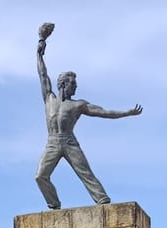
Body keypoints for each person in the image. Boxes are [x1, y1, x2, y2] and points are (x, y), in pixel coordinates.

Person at [34, 23, 142, 210]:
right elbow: (42, 74)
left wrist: (127, 112)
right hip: (52, 142)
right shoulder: (49, 98)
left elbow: (104, 112)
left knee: (85, 172)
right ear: (63, 84)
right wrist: (39, 51)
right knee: (40, 176)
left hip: (69, 142)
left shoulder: (78, 105)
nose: (75, 88)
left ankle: (102, 200)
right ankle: (54, 204)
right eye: (73, 84)